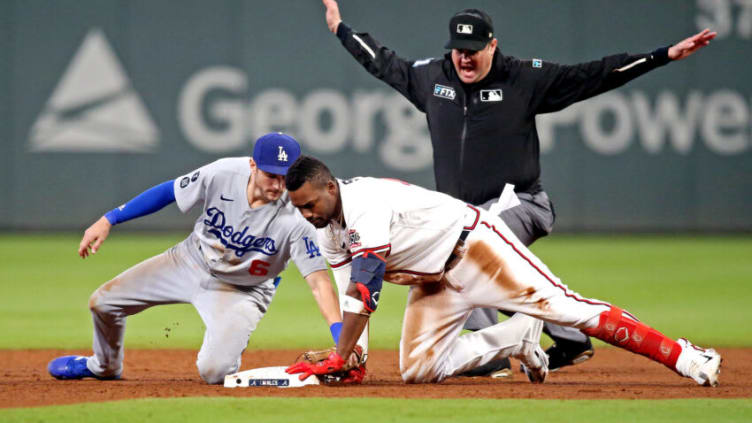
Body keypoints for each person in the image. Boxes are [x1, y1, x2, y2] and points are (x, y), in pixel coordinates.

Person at [321, 0, 716, 376]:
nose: (465, 57)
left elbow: (593, 74)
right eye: (458, 49)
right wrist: (342, 30)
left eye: (474, 48)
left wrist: (662, 55)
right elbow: (382, 63)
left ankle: (501, 353)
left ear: (492, 45)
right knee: (464, 262)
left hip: (520, 202)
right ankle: (569, 339)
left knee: (469, 254)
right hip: (459, 218)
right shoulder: (431, 78)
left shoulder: (523, 78)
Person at [283, 155, 722, 387]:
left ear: (330, 186)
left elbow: (365, 289)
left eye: (310, 203)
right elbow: (349, 298)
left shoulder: (364, 205)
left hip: (477, 249)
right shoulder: (329, 231)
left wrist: (341, 355)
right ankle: (516, 336)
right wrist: (351, 353)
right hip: (435, 281)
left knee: (570, 310)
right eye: (298, 208)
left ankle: (684, 356)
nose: (306, 213)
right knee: (418, 371)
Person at [47, 133, 343, 384]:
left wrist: (342, 341)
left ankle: (231, 341)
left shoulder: (298, 217)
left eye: (285, 177)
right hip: (189, 261)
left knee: (213, 372)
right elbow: (168, 192)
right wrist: (109, 219)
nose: (279, 186)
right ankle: (104, 366)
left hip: (243, 290)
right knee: (103, 303)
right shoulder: (223, 173)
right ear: (252, 165)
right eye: (270, 175)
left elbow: (319, 283)